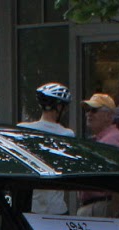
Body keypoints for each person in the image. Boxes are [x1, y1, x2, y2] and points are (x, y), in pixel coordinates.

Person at [20, 83, 74, 214]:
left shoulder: (23, 129)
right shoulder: (67, 135)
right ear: (59, 107)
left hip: (31, 206)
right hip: (57, 208)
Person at [78, 92, 119, 217]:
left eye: (94, 110)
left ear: (108, 116)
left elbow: (118, 180)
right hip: (100, 206)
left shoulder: (110, 142)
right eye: (88, 110)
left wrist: (115, 212)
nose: (89, 114)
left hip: (103, 207)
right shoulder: (104, 140)